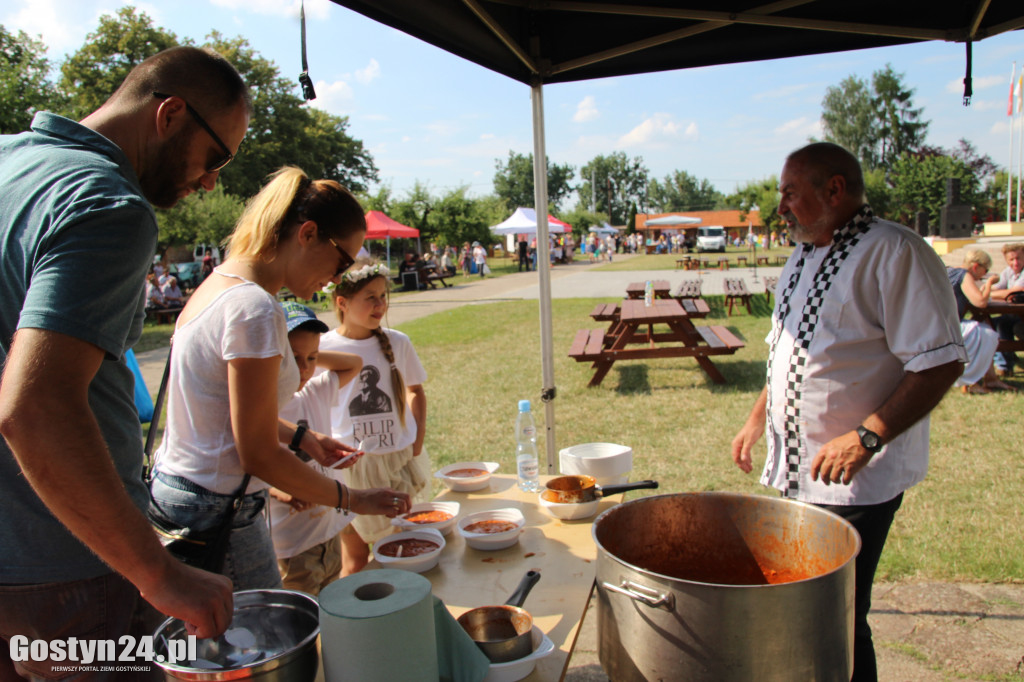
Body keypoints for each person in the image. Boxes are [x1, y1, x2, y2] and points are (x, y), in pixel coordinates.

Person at [0, 47, 251, 677]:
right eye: (216, 156)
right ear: (169, 114)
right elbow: (35, 409)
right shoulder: (106, 202)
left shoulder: (10, 162)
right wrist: (157, 572)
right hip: (67, 573)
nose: (211, 182)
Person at [730, 142, 965, 682]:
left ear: (834, 189)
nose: (780, 206)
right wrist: (756, 417)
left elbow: (940, 360)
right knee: (801, 609)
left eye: (790, 192)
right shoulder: (804, 252)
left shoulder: (894, 252)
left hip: (854, 484)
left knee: (834, 616)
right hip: (799, 471)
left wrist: (867, 437)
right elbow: (787, 348)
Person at [148, 167, 410, 592]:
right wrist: (354, 500)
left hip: (190, 496)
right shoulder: (255, 308)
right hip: (218, 508)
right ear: (307, 234)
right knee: (257, 649)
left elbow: (225, 412)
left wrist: (302, 438)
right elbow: (256, 454)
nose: (339, 277)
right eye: (343, 260)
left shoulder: (220, 284)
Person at [321, 259, 430, 574]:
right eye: (371, 297)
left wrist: (417, 441)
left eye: (384, 296)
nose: (380, 304)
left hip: (397, 461)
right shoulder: (324, 348)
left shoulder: (398, 342)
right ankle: (353, 621)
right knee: (354, 557)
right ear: (342, 302)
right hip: (350, 468)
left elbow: (415, 391)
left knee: (401, 549)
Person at [268, 302, 365, 596]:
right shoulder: (263, 407)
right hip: (292, 544)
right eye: (292, 358)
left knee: (330, 608)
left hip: (327, 529)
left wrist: (310, 353)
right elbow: (250, 462)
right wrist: (280, 490)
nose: (304, 368)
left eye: (311, 358)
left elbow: (354, 364)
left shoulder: (314, 391)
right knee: (301, 621)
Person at [946, 249, 1013, 394]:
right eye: (985, 270)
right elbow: (981, 302)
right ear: (976, 266)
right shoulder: (964, 275)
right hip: (949, 327)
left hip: (938, 325)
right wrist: (989, 282)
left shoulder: (949, 272)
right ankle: (971, 381)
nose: (985, 274)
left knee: (985, 329)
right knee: (987, 334)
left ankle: (990, 378)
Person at [989, 243, 1024, 376]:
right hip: (1016, 314)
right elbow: (998, 289)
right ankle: (1006, 362)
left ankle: (1004, 365)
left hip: (1020, 317)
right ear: (1006, 260)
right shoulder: (1008, 272)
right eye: (1011, 259)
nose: (1015, 263)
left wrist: (987, 294)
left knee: (1000, 324)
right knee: (996, 323)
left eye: (1019, 258)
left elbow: (1014, 293)